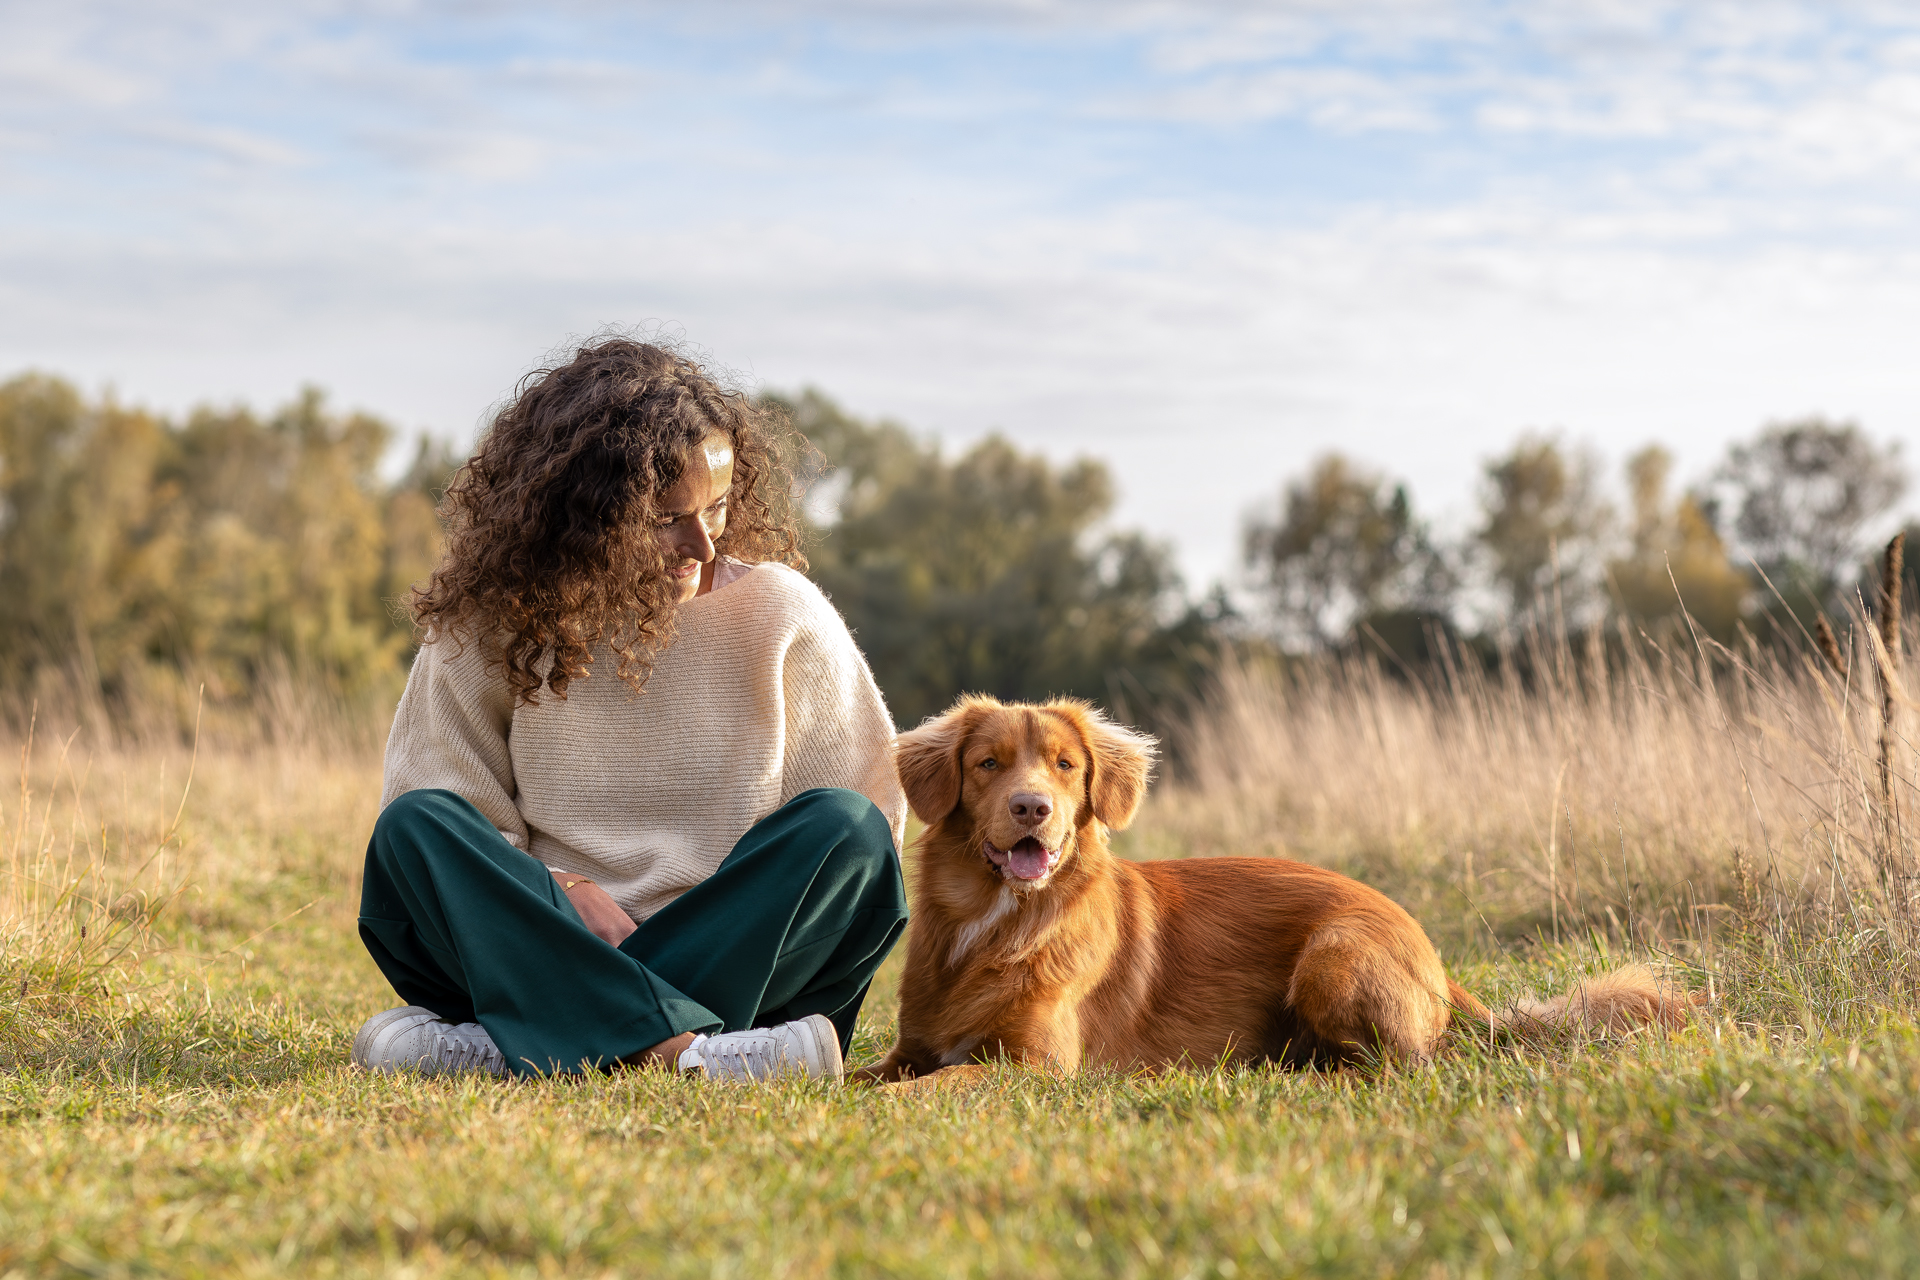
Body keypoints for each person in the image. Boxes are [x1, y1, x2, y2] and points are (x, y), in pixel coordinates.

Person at [350, 336, 908, 1083]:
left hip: (728, 949)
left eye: (716, 507)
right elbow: (448, 812)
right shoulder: (488, 625)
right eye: (664, 518)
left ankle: (520, 1042)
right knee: (414, 829)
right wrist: (564, 892)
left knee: (851, 831)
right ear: (582, 516)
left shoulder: (784, 615)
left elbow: (862, 844)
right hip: (544, 934)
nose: (703, 544)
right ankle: (689, 1057)